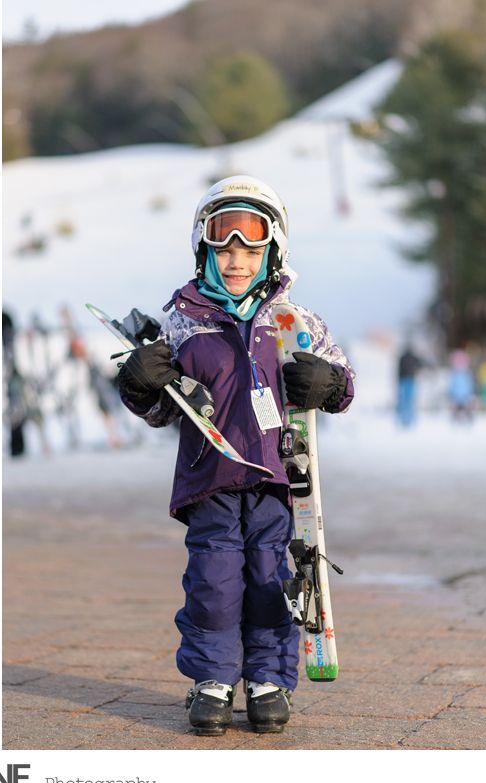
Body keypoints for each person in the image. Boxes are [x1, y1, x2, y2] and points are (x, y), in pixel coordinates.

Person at [117, 176, 355, 736]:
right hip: (211, 481)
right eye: (225, 248)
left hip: (277, 482)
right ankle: (213, 680)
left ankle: (269, 679)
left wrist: (328, 383)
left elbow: (344, 385)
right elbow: (160, 412)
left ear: (273, 250)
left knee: (271, 580)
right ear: (204, 249)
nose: (238, 260)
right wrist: (141, 385)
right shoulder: (182, 322)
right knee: (214, 582)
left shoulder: (296, 322)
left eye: (251, 249)